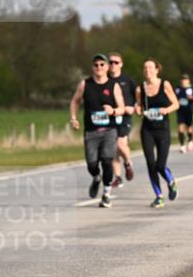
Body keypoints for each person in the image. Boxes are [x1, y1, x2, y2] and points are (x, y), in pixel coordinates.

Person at [70, 54, 125, 208]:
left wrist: (113, 111)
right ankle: (96, 177)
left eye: (102, 64)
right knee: (92, 164)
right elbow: (75, 101)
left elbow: (122, 108)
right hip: (91, 131)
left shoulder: (113, 86)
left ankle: (106, 194)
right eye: (96, 65)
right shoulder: (85, 84)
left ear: (107, 67)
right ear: (92, 68)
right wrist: (74, 118)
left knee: (107, 161)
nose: (99, 67)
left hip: (109, 130)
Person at [134, 58, 179, 208]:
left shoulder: (164, 84)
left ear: (156, 69)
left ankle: (171, 182)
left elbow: (176, 104)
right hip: (147, 129)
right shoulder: (140, 89)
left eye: (150, 68)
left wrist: (166, 110)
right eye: (145, 68)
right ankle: (159, 196)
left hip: (162, 130)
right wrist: (138, 110)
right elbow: (140, 109)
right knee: (150, 164)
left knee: (160, 165)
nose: (147, 70)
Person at [107, 52, 137, 187]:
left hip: (124, 117)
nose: (113, 65)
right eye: (111, 62)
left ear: (121, 64)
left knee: (120, 144)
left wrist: (134, 107)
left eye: (116, 62)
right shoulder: (105, 80)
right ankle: (118, 176)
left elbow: (138, 97)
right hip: (109, 117)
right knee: (112, 148)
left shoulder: (128, 80)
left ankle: (128, 162)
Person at [175, 74, 193, 153]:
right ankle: (182, 145)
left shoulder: (192, 88)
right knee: (180, 128)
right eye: (182, 79)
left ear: (188, 80)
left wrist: (192, 97)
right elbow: (174, 97)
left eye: (185, 79)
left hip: (189, 110)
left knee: (189, 127)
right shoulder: (177, 89)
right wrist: (176, 101)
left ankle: (190, 140)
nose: (183, 81)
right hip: (180, 111)